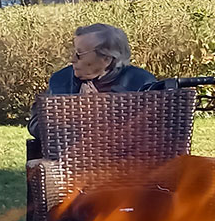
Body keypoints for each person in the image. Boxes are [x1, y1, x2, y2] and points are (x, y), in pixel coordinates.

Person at [28, 23, 156, 137]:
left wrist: (102, 111)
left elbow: (151, 132)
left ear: (106, 59)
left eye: (79, 54)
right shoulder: (60, 80)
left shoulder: (141, 83)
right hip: (69, 160)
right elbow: (35, 125)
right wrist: (74, 113)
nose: (72, 59)